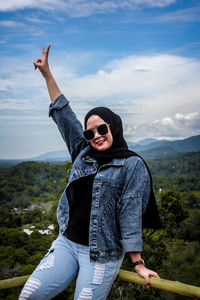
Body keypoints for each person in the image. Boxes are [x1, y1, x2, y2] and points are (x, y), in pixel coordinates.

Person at [19, 45, 161, 300]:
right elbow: (63, 114)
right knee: (29, 295)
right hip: (67, 244)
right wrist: (47, 74)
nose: (96, 136)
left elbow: (130, 214)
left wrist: (138, 263)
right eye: (90, 132)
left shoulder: (132, 165)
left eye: (102, 129)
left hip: (102, 254)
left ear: (114, 127)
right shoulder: (83, 153)